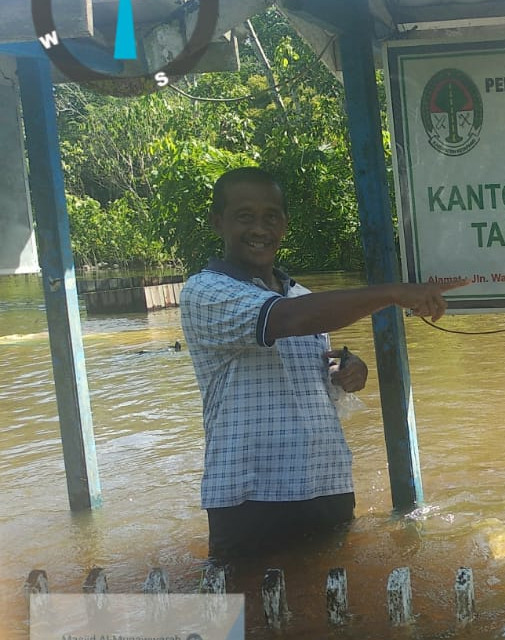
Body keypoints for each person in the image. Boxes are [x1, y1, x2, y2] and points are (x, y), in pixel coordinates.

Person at [180, 167, 466, 558]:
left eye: (271, 217)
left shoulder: (300, 294)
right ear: (218, 222)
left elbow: (312, 372)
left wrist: (349, 370)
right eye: (245, 216)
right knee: (251, 615)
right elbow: (288, 319)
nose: (260, 228)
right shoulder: (206, 290)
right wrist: (394, 293)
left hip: (326, 482)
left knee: (335, 606)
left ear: (285, 224)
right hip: (252, 494)